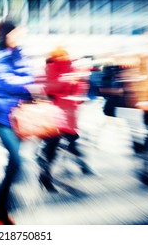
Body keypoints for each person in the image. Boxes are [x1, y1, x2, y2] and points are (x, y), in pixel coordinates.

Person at [0, 20, 34, 225]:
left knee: (15, 163)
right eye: (17, 33)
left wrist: (29, 83)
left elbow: (28, 76)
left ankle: (5, 196)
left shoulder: (20, 55)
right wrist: (28, 85)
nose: (20, 36)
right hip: (2, 115)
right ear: (6, 35)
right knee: (16, 160)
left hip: (20, 115)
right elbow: (6, 81)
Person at [38, 47, 94, 193]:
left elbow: (79, 87)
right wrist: (65, 81)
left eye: (65, 55)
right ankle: (46, 174)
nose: (64, 57)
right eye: (61, 55)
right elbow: (49, 89)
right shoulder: (50, 68)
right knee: (54, 142)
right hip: (54, 112)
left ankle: (46, 167)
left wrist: (77, 86)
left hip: (69, 112)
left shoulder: (72, 68)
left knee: (71, 138)